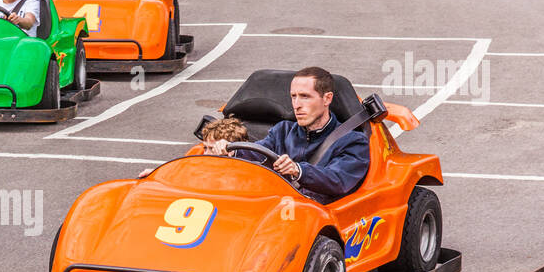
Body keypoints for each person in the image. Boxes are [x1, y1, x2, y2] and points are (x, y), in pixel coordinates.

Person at [207, 67, 370, 205]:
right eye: (294, 96)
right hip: (280, 209)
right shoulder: (283, 130)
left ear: (327, 98)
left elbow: (338, 180)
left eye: (305, 96)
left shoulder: (353, 141)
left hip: (320, 215)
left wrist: (298, 170)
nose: (297, 105)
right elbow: (259, 151)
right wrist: (231, 150)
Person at [137, 116, 249, 178]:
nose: (205, 154)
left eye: (212, 149)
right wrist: (159, 173)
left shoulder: (247, 172)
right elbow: (182, 171)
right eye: (206, 148)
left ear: (230, 151)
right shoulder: (200, 162)